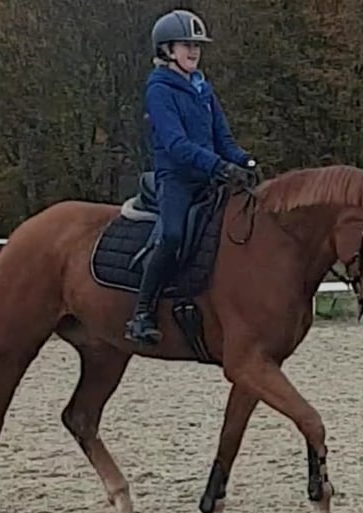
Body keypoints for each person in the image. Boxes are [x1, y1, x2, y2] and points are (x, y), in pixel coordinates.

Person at [124, 9, 262, 345]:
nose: (194, 51)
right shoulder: (159, 89)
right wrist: (218, 166)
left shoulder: (202, 88)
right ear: (167, 50)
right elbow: (175, 144)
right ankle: (141, 313)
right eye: (186, 45)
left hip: (211, 175)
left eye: (197, 45)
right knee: (172, 235)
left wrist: (245, 160)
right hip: (177, 178)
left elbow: (223, 139)